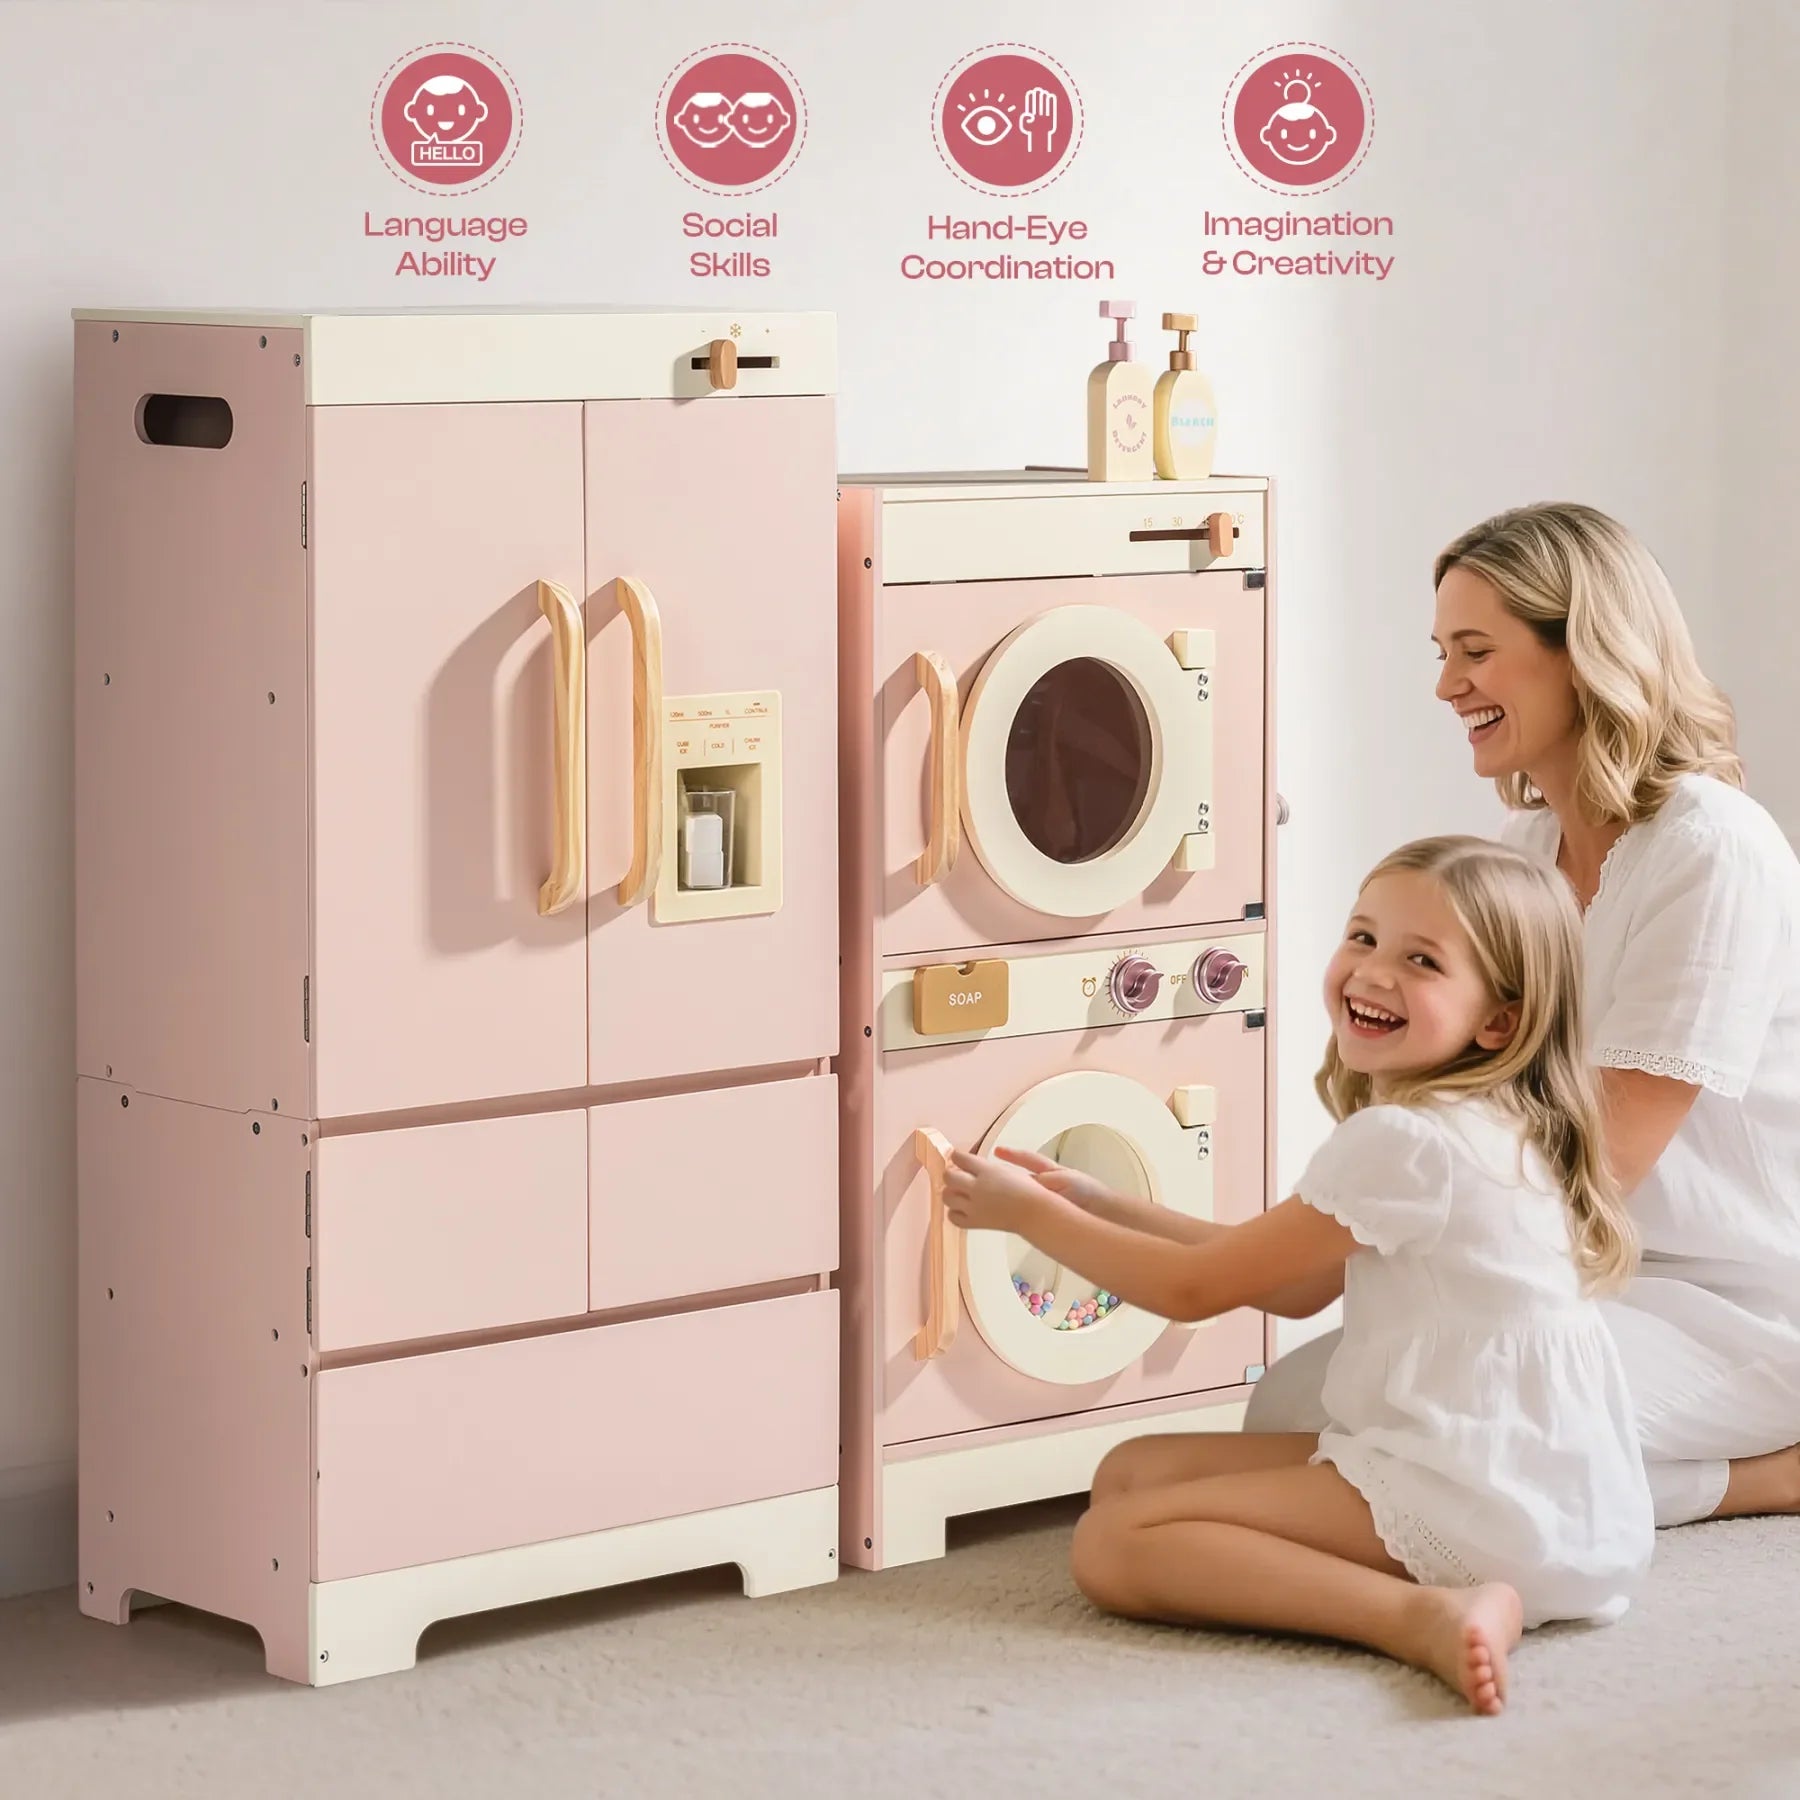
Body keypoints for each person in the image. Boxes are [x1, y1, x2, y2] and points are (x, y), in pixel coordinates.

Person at [942, 836, 1654, 1716]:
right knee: (1130, 1473)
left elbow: (1194, 1291)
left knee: (1113, 1544)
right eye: (1363, 937)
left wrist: (1027, 1215)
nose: (1372, 973)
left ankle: (1417, 1614)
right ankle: (1440, 1587)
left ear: (1498, 1021)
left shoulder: (1406, 1143)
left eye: (1420, 960)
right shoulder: (1495, 1122)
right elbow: (1289, 1283)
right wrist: (1100, 1201)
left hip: (1478, 1497)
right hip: (1552, 1500)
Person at [1244, 503, 1800, 1527]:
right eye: (1443, 651)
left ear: (1581, 654)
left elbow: (1610, 1157)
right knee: (1286, 1409)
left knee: (1445, 1428)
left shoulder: (1713, 850)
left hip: (1736, 1305)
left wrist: (1360, 1229)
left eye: (1477, 651)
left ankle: (1764, 1477)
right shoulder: (1526, 847)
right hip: (1575, 1272)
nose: (1447, 684)